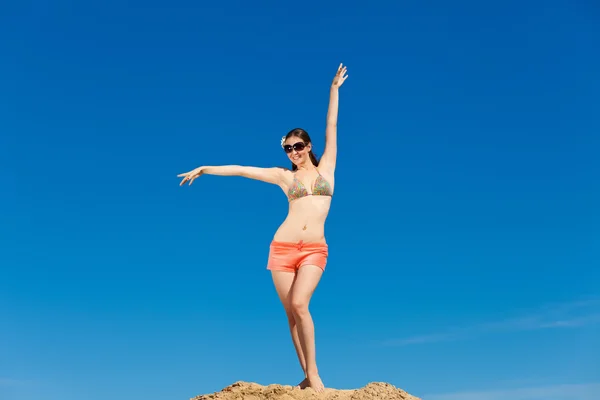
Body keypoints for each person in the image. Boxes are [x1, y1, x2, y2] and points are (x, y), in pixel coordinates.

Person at [177, 63, 348, 393]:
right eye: (288, 149)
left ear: (308, 146)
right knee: (291, 316)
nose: (293, 152)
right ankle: (307, 375)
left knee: (301, 305)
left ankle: (315, 377)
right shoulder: (285, 177)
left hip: (315, 248)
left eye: (298, 146)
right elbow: (243, 169)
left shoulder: (327, 166)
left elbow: (332, 125)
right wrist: (205, 168)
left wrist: (333, 90)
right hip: (282, 249)